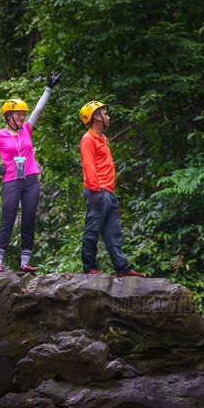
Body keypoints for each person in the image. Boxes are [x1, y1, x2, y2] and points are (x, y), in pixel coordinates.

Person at [0, 73, 60, 273]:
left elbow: (38, 109)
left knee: (29, 219)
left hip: (30, 180)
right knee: (8, 219)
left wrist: (49, 88)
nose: (22, 116)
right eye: (18, 114)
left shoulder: (27, 130)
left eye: (23, 114)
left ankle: (25, 261)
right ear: (8, 116)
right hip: (11, 180)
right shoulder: (0, 135)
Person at [78, 100, 145, 277]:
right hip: (97, 191)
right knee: (92, 230)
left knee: (113, 232)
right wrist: (96, 190)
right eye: (104, 113)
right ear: (95, 118)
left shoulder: (102, 138)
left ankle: (122, 268)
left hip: (108, 190)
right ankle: (89, 267)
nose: (108, 116)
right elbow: (89, 166)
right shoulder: (88, 140)